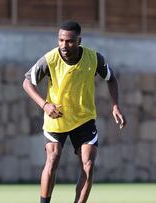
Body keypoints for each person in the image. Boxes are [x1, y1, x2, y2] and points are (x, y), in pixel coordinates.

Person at [23, 21, 127, 203]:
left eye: (69, 41)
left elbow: (111, 79)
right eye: (61, 40)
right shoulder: (50, 59)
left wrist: (115, 105)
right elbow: (27, 82)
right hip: (57, 118)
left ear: (79, 40)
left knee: (88, 164)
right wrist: (44, 105)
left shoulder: (94, 58)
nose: (64, 45)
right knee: (53, 159)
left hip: (84, 119)